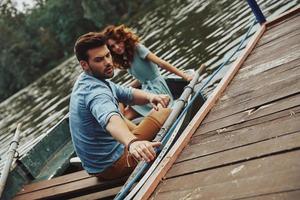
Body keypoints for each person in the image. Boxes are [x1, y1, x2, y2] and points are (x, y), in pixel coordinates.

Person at [69, 32, 171, 180]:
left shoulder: (91, 78)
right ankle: (140, 142)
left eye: (107, 55)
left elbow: (127, 93)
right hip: (114, 165)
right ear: (84, 64)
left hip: (98, 166)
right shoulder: (94, 92)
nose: (108, 62)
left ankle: (140, 137)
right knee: (164, 112)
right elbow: (110, 119)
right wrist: (132, 143)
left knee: (132, 115)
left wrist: (150, 96)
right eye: (99, 59)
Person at [102, 25, 193, 120]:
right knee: (120, 100)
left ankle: (121, 126)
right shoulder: (125, 58)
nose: (117, 47)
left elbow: (162, 63)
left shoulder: (138, 48)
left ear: (123, 38)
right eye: (112, 46)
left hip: (157, 89)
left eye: (118, 42)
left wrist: (185, 76)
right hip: (146, 90)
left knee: (125, 115)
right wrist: (123, 90)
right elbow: (141, 79)